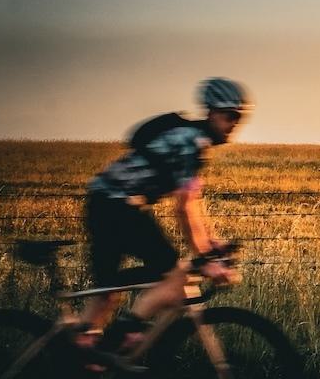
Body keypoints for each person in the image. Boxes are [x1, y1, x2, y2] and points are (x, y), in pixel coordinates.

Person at [76, 77, 251, 366]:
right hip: (118, 205)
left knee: (106, 293)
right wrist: (205, 256)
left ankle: (78, 358)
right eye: (229, 115)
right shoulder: (190, 142)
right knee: (175, 272)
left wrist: (211, 244)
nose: (234, 123)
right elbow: (183, 208)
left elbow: (194, 201)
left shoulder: (192, 139)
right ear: (211, 112)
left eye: (239, 117)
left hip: (107, 203)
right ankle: (126, 331)